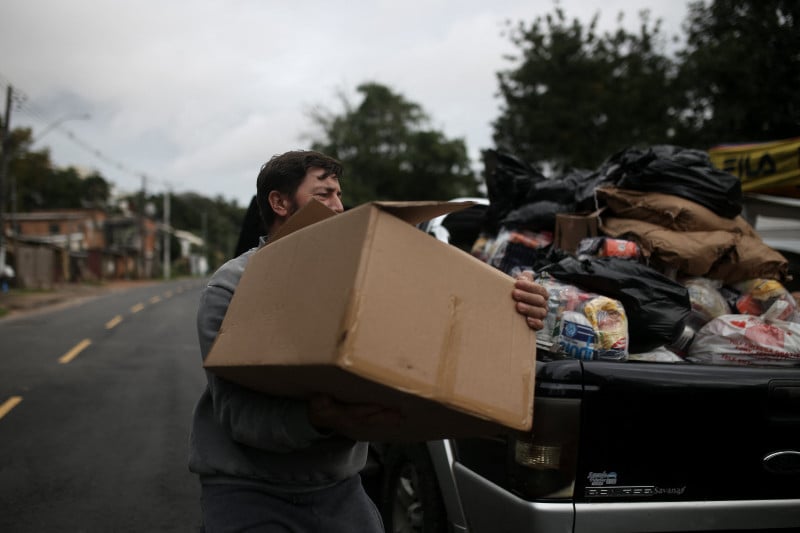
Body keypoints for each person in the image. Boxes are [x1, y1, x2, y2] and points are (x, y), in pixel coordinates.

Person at [189, 149, 549, 533]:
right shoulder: (230, 287)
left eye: (339, 195)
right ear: (278, 202)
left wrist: (515, 304)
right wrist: (321, 418)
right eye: (324, 194)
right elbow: (237, 414)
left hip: (339, 490)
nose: (339, 206)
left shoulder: (358, 274)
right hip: (248, 492)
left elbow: (439, 322)